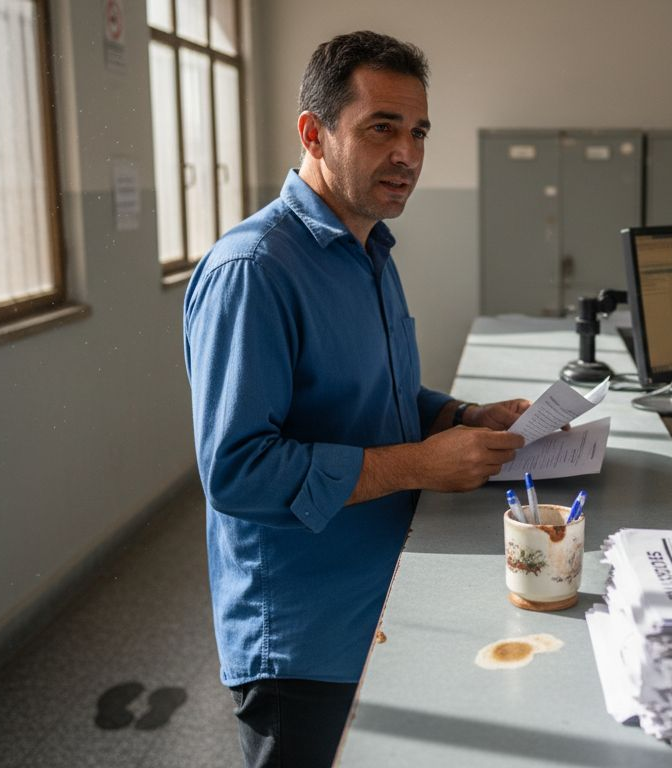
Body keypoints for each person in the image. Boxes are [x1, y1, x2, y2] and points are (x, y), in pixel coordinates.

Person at [183, 31, 527, 766]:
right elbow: (238, 471)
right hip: (303, 640)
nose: (408, 154)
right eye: (382, 128)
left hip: (382, 594)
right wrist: (419, 464)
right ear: (314, 133)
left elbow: (380, 398)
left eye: (419, 132)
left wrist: (462, 417)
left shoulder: (369, 249)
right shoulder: (254, 270)